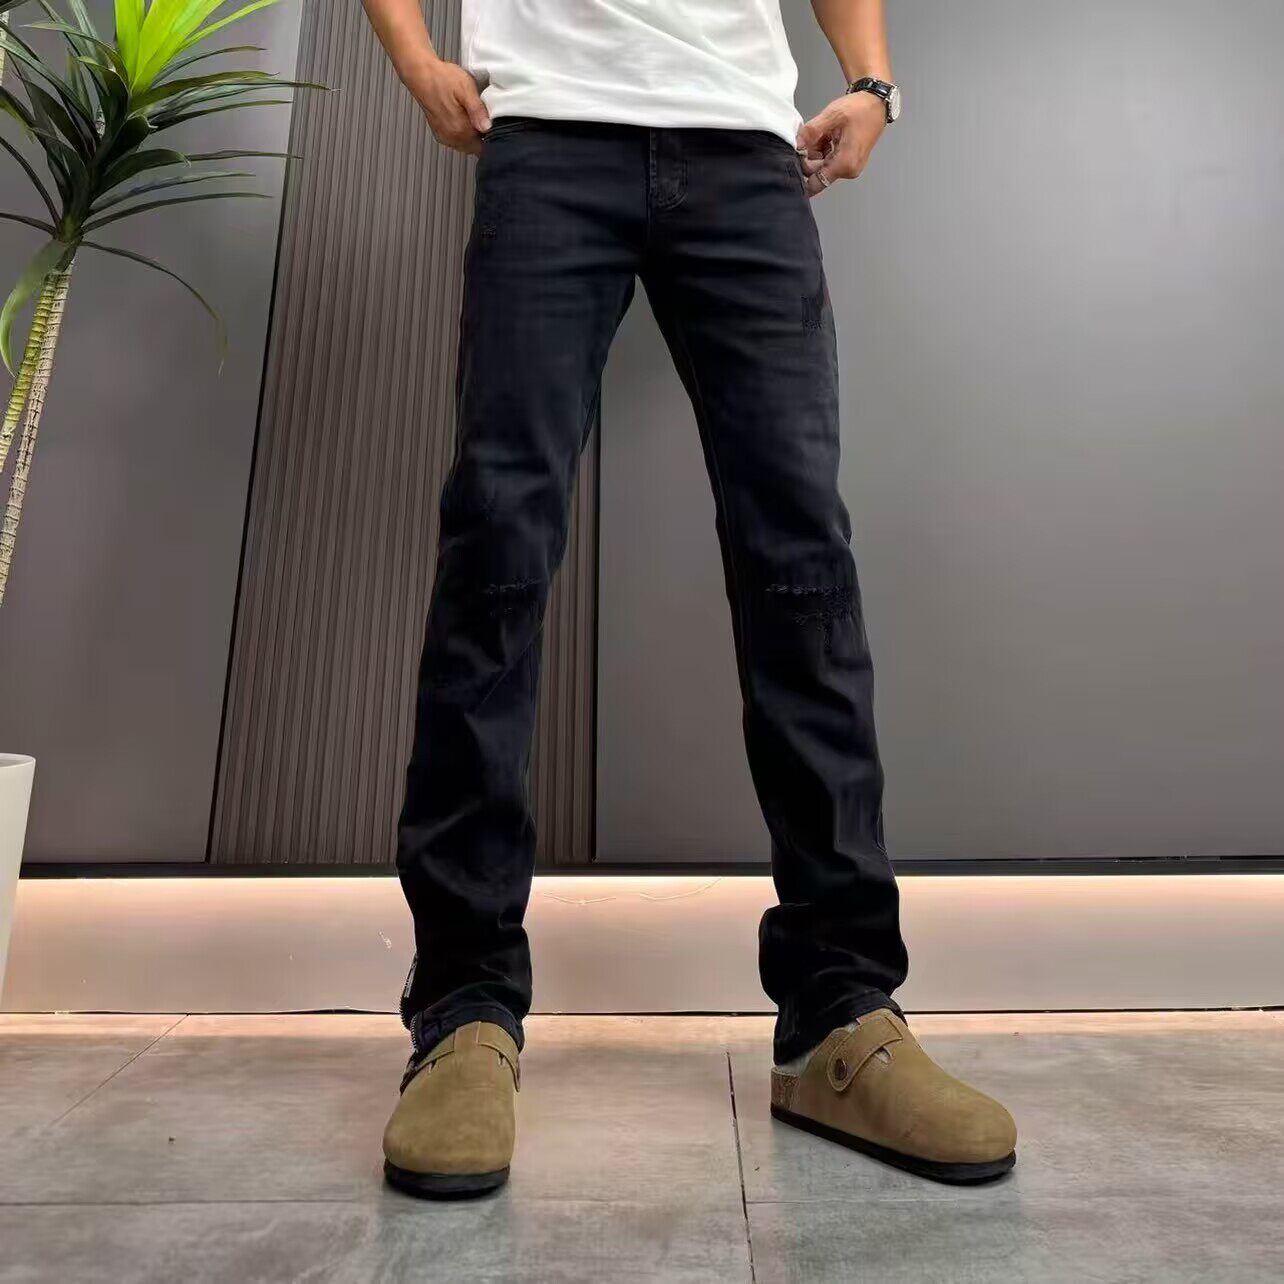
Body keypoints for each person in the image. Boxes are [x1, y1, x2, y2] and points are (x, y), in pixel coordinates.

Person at [364, 0, 1016, 1199]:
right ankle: (463, 1010)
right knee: (497, 545)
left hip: (744, 149)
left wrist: (872, 82)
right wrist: (413, 58)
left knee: (801, 559)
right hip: (550, 135)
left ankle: (839, 1014)